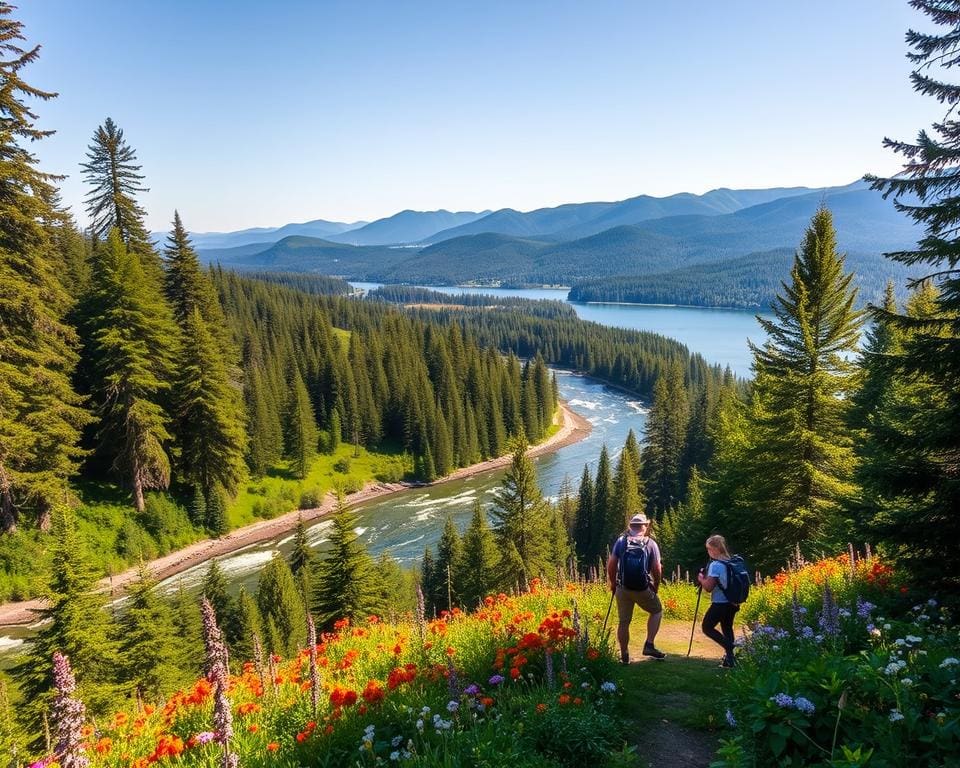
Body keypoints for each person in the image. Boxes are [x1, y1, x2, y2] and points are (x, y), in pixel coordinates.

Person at [606, 513, 665, 663]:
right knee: (656, 610)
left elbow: (612, 564)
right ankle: (649, 644)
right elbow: (657, 568)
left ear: (630, 526)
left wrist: (613, 583)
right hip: (642, 588)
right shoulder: (650, 543)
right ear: (645, 526)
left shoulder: (621, 541)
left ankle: (624, 654)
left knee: (624, 621)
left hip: (622, 587)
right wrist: (656, 584)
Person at [697, 534, 738, 668]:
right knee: (727, 628)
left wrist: (701, 579)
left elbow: (708, 587)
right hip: (733, 602)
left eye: (709, 549)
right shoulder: (731, 561)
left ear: (715, 549)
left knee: (707, 627)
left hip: (720, 603)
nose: (708, 552)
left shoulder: (716, 565)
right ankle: (730, 661)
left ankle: (730, 647)